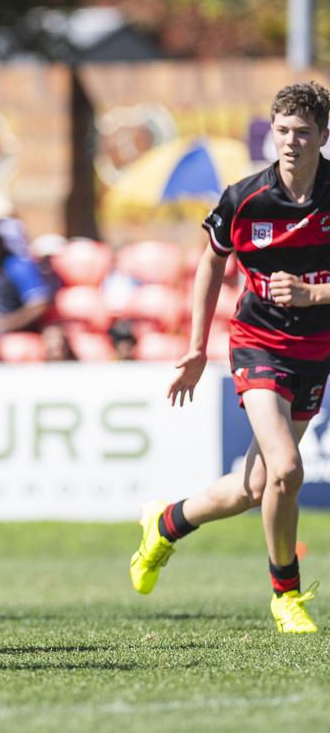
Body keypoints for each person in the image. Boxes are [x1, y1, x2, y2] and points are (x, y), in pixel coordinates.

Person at [130, 81, 330, 634]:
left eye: (303, 133)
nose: (291, 143)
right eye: (282, 131)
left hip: (315, 352)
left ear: (323, 136)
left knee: (254, 488)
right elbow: (210, 263)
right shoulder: (245, 198)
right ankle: (285, 595)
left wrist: (314, 295)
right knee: (287, 469)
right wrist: (196, 347)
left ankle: (165, 525)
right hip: (257, 343)